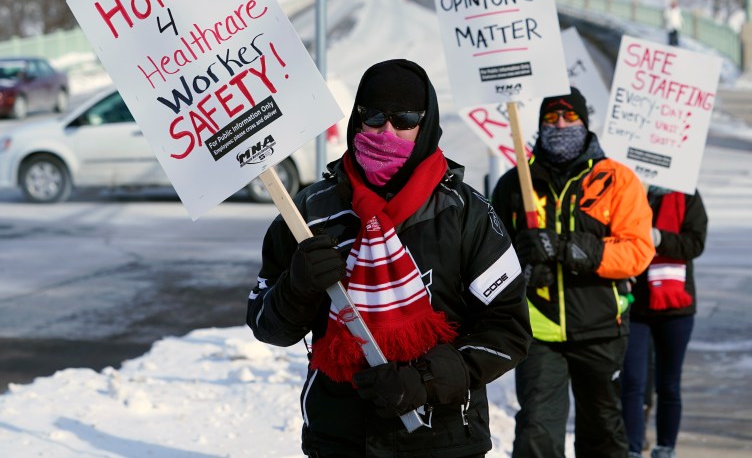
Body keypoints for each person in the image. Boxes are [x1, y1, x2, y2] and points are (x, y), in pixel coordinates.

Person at [246, 59, 532, 457]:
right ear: (356, 121)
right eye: (374, 116)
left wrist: (427, 380)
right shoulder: (308, 214)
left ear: (426, 123)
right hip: (340, 438)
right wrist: (297, 286)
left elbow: (508, 329)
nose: (387, 131)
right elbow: (266, 325)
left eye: (405, 119)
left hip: (443, 439)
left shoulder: (466, 212)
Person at [490, 88, 655, 458]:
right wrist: (524, 265)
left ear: (584, 123)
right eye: (551, 118)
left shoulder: (615, 180)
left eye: (569, 117)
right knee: (536, 434)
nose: (560, 125)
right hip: (538, 331)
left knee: (602, 432)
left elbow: (637, 251)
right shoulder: (516, 183)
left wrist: (566, 248)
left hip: (600, 328)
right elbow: (489, 254)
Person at [621, 186, 708, 458]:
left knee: (668, 384)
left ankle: (665, 448)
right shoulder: (628, 189)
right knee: (632, 382)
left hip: (675, 306)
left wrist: (659, 238)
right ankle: (633, 450)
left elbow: (695, 242)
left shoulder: (686, 193)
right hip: (635, 304)